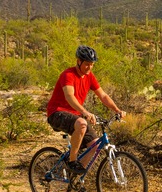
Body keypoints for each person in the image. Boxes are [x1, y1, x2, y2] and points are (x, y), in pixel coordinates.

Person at [47, 45, 126, 175]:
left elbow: (103, 96)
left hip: (75, 116)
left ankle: (77, 176)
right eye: (87, 64)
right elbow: (69, 96)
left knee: (95, 145)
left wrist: (117, 110)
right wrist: (84, 112)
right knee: (82, 123)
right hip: (57, 113)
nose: (89, 67)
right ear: (79, 61)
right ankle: (72, 162)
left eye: (92, 64)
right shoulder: (68, 75)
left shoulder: (89, 76)